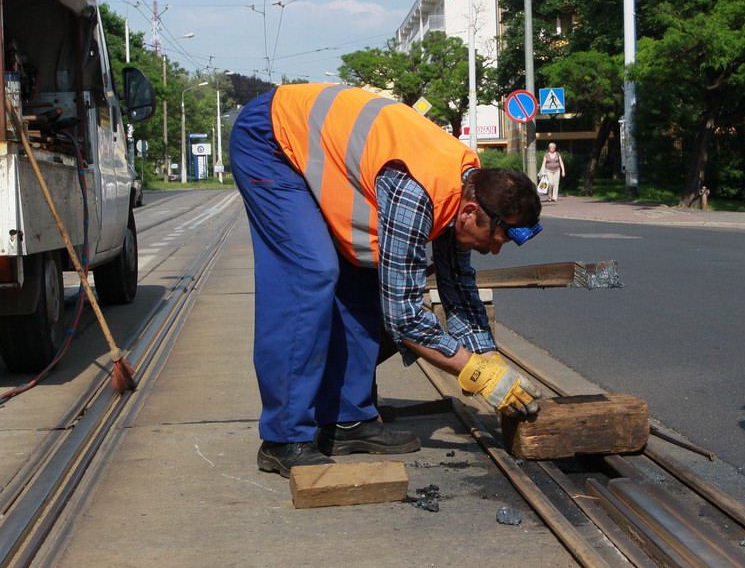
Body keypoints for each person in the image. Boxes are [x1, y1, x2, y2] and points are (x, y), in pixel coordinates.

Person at [230, 83, 544, 478]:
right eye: (493, 240)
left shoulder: (468, 184)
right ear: (469, 212)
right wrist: (475, 373)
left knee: (365, 273)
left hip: (317, 149)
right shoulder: (418, 191)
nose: (493, 251)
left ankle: (344, 419)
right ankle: (282, 438)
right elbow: (404, 317)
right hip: (272, 141)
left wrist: (488, 355)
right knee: (311, 272)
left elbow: (458, 285)